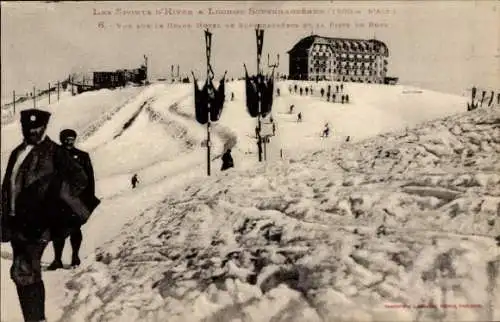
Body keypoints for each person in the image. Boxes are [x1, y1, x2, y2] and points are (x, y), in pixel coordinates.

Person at [1, 109, 95, 322]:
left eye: (37, 127)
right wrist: (5, 219)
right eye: (28, 127)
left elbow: (79, 178)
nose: (32, 131)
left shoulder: (54, 151)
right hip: (17, 221)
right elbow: (7, 187)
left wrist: (54, 195)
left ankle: (35, 319)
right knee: (23, 272)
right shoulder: (17, 152)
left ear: (44, 127)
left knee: (24, 269)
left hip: (38, 222)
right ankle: (36, 319)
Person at [47, 129, 98, 270]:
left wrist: (88, 198)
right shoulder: (54, 156)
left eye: (72, 138)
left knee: (75, 228)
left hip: (76, 200)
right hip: (58, 199)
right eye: (66, 139)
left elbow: (90, 179)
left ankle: (75, 256)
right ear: (62, 139)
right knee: (57, 230)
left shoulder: (82, 156)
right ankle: (57, 259)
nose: (69, 141)